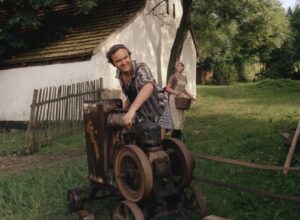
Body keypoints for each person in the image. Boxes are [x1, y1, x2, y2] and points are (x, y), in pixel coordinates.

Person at [106, 44, 173, 138]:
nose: (124, 62)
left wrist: (132, 110)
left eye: (125, 57)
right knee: (142, 141)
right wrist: (126, 109)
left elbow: (148, 87)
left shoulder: (141, 67)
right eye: (118, 61)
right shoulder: (120, 74)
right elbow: (132, 93)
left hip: (158, 108)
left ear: (129, 56)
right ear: (113, 64)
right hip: (143, 112)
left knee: (157, 144)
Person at [165, 61, 196, 140]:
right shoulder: (173, 77)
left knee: (181, 119)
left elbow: (183, 89)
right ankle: (174, 139)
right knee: (176, 119)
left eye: (182, 66)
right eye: (178, 66)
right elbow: (167, 88)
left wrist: (191, 97)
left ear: (183, 68)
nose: (180, 67)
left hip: (181, 99)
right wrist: (175, 92)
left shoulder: (184, 77)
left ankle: (179, 137)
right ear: (176, 67)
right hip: (173, 99)